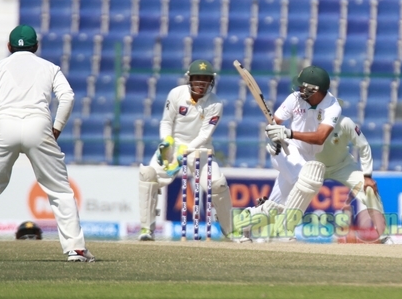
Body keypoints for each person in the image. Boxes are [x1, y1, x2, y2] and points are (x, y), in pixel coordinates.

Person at [0, 25, 94, 262]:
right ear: (36, 46)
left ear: (9, 46)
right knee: (59, 190)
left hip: (5, 126)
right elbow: (67, 97)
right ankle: (75, 249)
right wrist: (56, 127)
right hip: (39, 126)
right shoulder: (49, 67)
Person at [237, 65, 342, 240]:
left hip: (307, 154)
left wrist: (289, 132)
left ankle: (243, 224)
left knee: (276, 206)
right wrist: (273, 133)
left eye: (303, 87)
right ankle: (285, 230)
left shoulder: (332, 106)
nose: (299, 89)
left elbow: (320, 137)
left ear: (315, 90)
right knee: (307, 180)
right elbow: (274, 122)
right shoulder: (294, 98)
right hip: (285, 149)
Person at [248, 115, 386, 241]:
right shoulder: (305, 122)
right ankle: (262, 233)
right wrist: (277, 145)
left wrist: (367, 176)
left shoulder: (345, 123)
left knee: (369, 190)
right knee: (279, 201)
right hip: (311, 165)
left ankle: (383, 236)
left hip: (343, 166)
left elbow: (364, 146)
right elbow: (290, 144)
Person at [138, 60, 233, 240]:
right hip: (174, 147)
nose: (201, 83)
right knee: (147, 175)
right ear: (189, 79)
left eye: (205, 80)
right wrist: (166, 141)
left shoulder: (215, 104)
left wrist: (186, 150)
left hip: (201, 150)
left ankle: (230, 230)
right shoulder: (176, 94)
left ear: (211, 82)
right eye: (197, 79)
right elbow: (166, 121)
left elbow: (205, 134)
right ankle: (146, 229)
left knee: (218, 184)